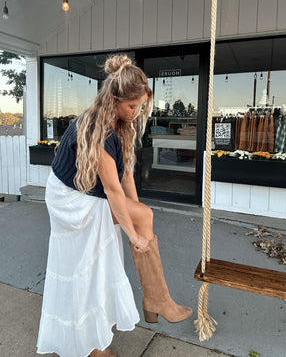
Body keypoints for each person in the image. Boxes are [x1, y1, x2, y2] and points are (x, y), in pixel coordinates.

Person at [36, 54, 192, 357]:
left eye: (140, 106)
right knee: (100, 258)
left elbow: (126, 177)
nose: (136, 112)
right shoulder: (98, 130)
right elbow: (112, 189)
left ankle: (155, 300)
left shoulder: (119, 124)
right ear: (115, 99)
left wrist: (136, 216)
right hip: (69, 199)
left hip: (87, 192)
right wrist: (133, 235)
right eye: (132, 106)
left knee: (140, 218)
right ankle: (155, 301)